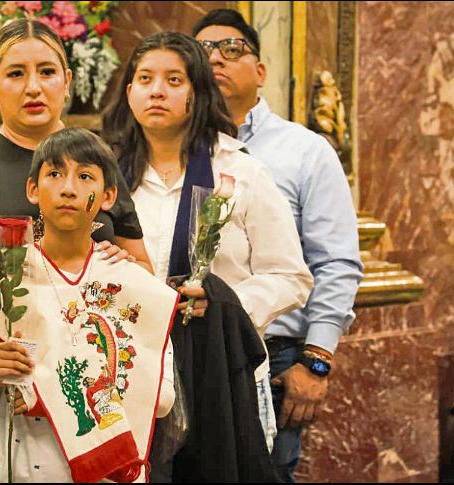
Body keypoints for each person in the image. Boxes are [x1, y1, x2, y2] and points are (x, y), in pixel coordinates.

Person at [101, 31, 313, 471]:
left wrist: (222, 302)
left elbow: (291, 277)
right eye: (145, 78)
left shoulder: (240, 171)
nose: (157, 90)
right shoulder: (103, 173)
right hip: (123, 370)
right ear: (129, 92)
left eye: (174, 80)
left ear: (197, 95)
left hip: (218, 368)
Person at [192, 9, 363, 482]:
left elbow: (336, 263)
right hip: (187, 351)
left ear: (261, 71)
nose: (216, 61)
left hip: (274, 352)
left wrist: (316, 361)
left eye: (231, 49)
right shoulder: (172, 149)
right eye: (203, 52)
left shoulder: (304, 151)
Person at [0, 128, 178, 482]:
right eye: (54, 174)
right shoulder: (7, 274)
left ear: (109, 195)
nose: (68, 188)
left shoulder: (131, 283)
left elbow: (161, 398)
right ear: (32, 189)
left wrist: (46, 395)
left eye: (85, 176)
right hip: (22, 464)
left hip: (109, 472)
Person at [0, 19, 153, 273]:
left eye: (47, 72)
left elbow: (145, 270)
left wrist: (124, 265)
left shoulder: (95, 156)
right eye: (16, 73)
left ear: (67, 82)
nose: (33, 87)